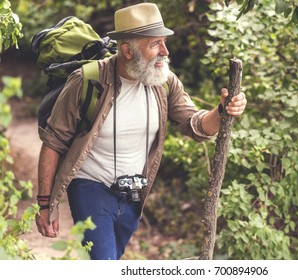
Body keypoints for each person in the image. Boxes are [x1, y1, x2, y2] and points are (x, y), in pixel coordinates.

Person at [35, 2, 247, 260]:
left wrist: (221, 110)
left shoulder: (164, 82)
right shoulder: (88, 80)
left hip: (134, 194)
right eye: (155, 44)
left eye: (164, 42)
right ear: (127, 50)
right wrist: (46, 204)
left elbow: (196, 124)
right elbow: (53, 142)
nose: (165, 51)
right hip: (89, 186)